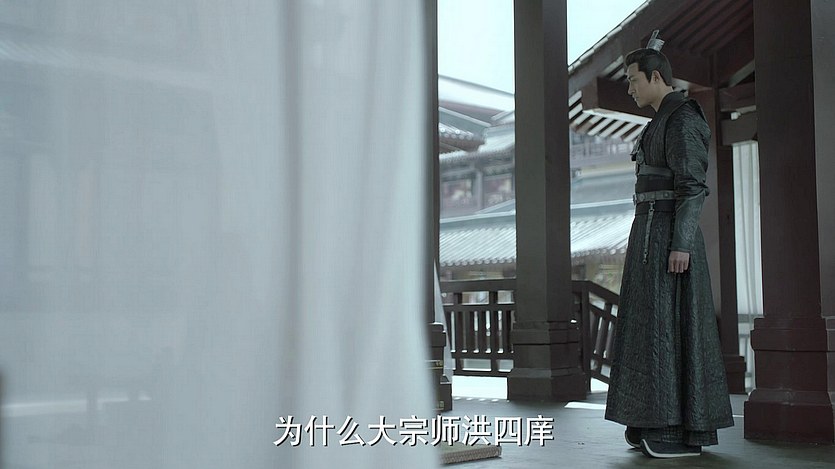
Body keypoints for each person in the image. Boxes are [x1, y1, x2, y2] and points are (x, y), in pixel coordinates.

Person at [603, 31, 734, 459]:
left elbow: (692, 187)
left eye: (633, 79)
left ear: (656, 77)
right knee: (648, 326)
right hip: (649, 232)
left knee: (668, 326)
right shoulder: (659, 121)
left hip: (670, 239)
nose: (629, 88)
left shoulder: (682, 118)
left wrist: (682, 245)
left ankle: (677, 427)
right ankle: (648, 418)